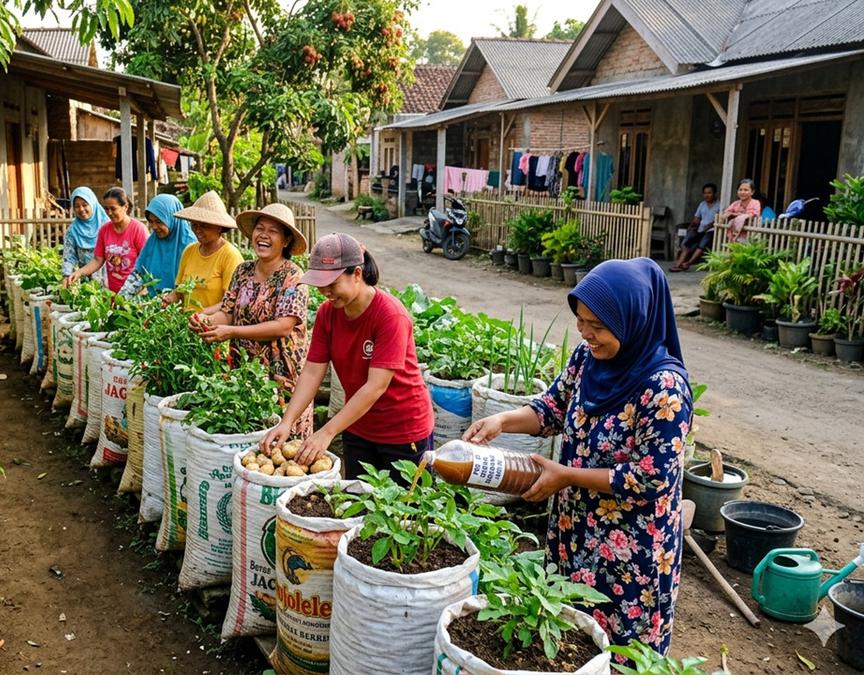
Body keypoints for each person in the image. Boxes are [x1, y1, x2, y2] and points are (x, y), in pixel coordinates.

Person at [462, 258, 692, 654]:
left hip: (630, 550)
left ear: (632, 321)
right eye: (581, 321)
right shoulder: (588, 360)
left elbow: (650, 478)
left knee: (622, 650)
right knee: (570, 636)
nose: (586, 334)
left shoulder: (664, 388)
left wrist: (567, 475)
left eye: (598, 326)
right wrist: (501, 420)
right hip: (575, 529)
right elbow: (551, 409)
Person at [260, 233, 435, 479]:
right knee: (358, 506)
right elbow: (312, 371)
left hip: (402, 432)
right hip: (357, 425)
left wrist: (327, 432)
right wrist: (287, 421)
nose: (326, 292)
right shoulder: (327, 314)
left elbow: (375, 387)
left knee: (403, 513)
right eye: (321, 284)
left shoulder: (390, 315)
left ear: (356, 274)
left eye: (332, 284)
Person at [189, 203, 311, 435]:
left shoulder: (293, 276)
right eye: (259, 229)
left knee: (284, 446)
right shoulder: (243, 271)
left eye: (273, 231)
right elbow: (228, 312)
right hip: (245, 372)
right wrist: (206, 321)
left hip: (281, 376)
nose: (263, 236)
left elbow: (283, 326)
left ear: (285, 241)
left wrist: (231, 332)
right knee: (249, 437)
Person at [165, 191, 245, 310]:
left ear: (219, 227)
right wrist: (168, 299)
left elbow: (232, 302)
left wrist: (202, 315)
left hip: (215, 324)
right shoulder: (189, 251)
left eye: (204, 226)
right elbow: (180, 292)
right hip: (187, 324)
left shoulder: (229, 255)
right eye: (194, 225)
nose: (198, 230)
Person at [66, 187, 148, 293]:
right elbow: (98, 260)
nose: (109, 213)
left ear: (125, 207)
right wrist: (79, 273)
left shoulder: (138, 229)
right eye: (106, 209)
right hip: (113, 293)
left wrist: (143, 290)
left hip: (136, 292)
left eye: (113, 209)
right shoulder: (104, 230)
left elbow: (147, 262)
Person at [119, 194, 196, 298]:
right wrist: (121, 299)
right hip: (155, 306)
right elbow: (139, 274)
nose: (154, 227)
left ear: (172, 218)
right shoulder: (153, 242)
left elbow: (192, 284)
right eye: (151, 221)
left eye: (159, 222)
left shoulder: (191, 245)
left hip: (182, 307)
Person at [61, 187, 108, 279]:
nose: (81, 209)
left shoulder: (107, 226)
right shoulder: (72, 230)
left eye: (85, 204)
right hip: (86, 280)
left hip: (110, 279)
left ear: (92, 203)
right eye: (77, 206)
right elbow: (69, 256)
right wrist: (66, 276)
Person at [671, 183, 720, 272]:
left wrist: (709, 226)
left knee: (702, 244)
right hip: (700, 229)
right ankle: (678, 264)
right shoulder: (702, 204)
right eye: (705, 193)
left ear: (714, 193)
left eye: (709, 193)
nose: (707, 195)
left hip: (712, 230)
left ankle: (688, 263)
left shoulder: (719, 205)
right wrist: (691, 226)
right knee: (687, 242)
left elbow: (719, 219)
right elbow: (696, 219)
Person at [724, 179, 762, 243]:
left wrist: (735, 214)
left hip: (750, 235)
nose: (742, 192)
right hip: (735, 235)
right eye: (740, 190)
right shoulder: (735, 203)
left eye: (746, 190)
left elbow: (753, 214)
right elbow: (727, 212)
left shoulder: (756, 203)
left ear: (752, 192)